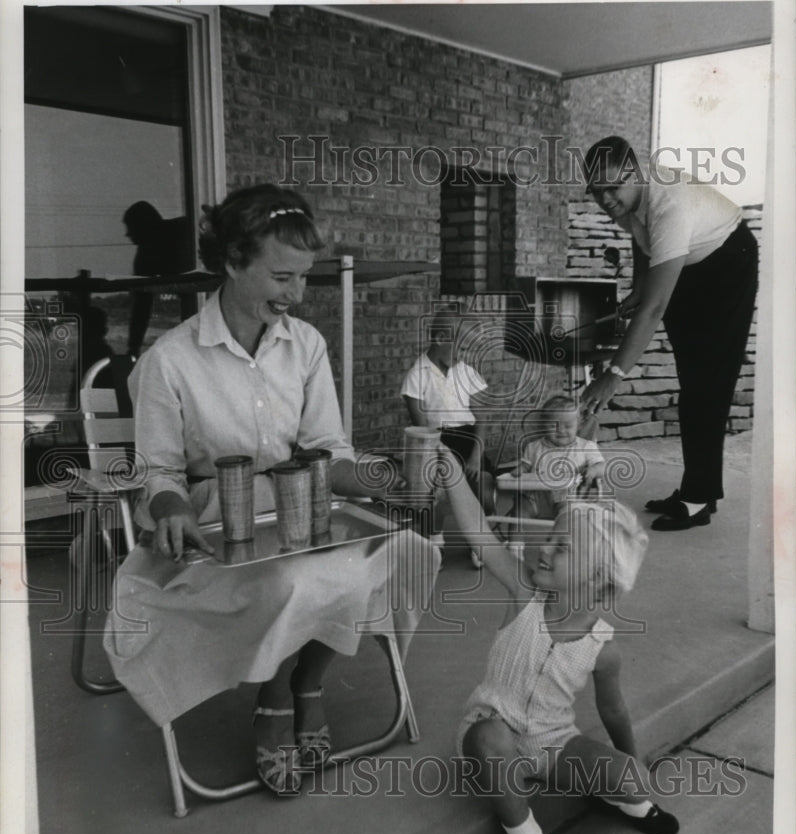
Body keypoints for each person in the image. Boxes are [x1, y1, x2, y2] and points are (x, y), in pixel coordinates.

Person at [105, 184, 432, 798]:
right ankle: (278, 695)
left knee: (399, 551)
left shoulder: (305, 345)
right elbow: (158, 472)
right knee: (289, 583)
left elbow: (328, 450)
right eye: (283, 277)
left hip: (303, 509)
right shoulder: (171, 361)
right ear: (232, 262)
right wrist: (169, 504)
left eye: (304, 278)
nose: (297, 295)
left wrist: (386, 481)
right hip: (217, 528)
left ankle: (308, 676)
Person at [439, 448, 678, 834]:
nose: (543, 548)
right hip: (494, 729)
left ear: (599, 584)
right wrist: (452, 476)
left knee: (631, 778)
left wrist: (631, 759)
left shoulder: (603, 648)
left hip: (552, 742)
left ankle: (621, 796)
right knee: (489, 738)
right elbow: (478, 532)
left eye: (562, 547)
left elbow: (613, 709)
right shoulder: (524, 593)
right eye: (551, 538)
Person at [579, 136, 758, 531]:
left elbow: (654, 310)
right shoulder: (629, 200)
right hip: (692, 263)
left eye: (613, 188)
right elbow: (642, 239)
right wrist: (639, 288)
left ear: (637, 172)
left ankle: (698, 500)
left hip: (727, 263)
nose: (606, 199)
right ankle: (695, 489)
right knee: (692, 381)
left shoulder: (670, 204)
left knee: (707, 383)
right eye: (596, 191)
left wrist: (614, 375)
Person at [401, 310, 496, 566]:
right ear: (441, 338)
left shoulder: (465, 371)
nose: (463, 355)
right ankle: (435, 541)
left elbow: (482, 418)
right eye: (461, 347)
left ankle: (477, 541)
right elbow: (422, 429)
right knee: (436, 488)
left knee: (484, 486)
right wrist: (442, 456)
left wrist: (475, 456)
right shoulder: (417, 374)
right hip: (434, 441)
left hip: (468, 439)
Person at [498, 394, 605, 522]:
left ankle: (563, 541)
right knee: (519, 512)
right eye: (553, 426)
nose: (561, 431)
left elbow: (601, 465)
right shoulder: (533, 447)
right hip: (534, 495)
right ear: (544, 425)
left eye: (568, 426)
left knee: (567, 517)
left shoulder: (586, 446)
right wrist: (520, 470)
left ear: (578, 425)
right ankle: (515, 542)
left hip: (568, 496)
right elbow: (526, 465)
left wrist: (593, 470)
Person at [123, 200, 196, 357]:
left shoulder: (184, 232)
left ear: (143, 226)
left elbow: (141, 306)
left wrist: (133, 348)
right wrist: (133, 348)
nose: (127, 234)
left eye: (131, 227)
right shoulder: (145, 255)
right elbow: (141, 305)